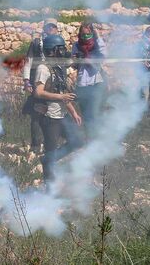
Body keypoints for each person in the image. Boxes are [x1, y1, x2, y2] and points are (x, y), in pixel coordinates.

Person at [33, 34, 84, 182]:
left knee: (77, 141)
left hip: (61, 115)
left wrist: (73, 112)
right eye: (60, 49)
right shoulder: (43, 68)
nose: (63, 51)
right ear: (52, 50)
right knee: (51, 150)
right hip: (49, 117)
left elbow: (62, 92)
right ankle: (49, 185)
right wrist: (61, 98)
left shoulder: (59, 67)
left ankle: (48, 160)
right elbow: (38, 91)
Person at [22, 22, 59, 152]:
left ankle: (51, 144)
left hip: (53, 82)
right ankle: (36, 145)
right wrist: (27, 81)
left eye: (54, 27)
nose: (52, 29)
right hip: (38, 80)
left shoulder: (58, 42)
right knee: (36, 113)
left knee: (54, 113)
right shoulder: (37, 43)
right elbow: (28, 62)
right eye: (50, 27)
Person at [71, 22, 107, 138]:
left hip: (96, 82)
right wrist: (77, 60)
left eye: (88, 34)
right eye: (83, 34)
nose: (85, 36)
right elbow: (74, 65)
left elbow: (103, 57)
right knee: (85, 114)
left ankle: (97, 138)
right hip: (82, 83)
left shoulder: (97, 44)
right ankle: (89, 138)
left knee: (94, 112)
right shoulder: (76, 45)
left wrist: (90, 61)